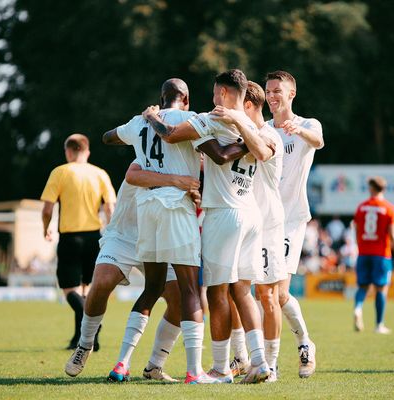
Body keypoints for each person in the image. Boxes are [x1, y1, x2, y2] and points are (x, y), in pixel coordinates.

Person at [143, 69, 271, 384]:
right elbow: (263, 153)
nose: (212, 99)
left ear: (225, 93)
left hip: (224, 213)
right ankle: (260, 363)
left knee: (216, 292)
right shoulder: (259, 127)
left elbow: (171, 134)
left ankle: (220, 367)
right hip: (251, 213)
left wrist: (151, 118)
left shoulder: (210, 119)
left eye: (216, 93)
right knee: (243, 290)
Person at [100, 78, 221, 384]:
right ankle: (194, 371)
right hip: (175, 209)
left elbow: (108, 137)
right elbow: (217, 152)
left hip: (147, 209)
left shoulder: (139, 121)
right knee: (190, 290)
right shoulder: (190, 120)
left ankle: (122, 364)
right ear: (187, 99)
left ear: (162, 98)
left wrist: (141, 121)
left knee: (151, 289)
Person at [64, 159, 199, 382]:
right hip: (124, 236)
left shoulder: (188, 163)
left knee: (179, 300)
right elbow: (133, 174)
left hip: (160, 238)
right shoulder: (146, 155)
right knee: (102, 282)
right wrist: (177, 181)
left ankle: (154, 366)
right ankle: (85, 344)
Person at [210, 80, 285, 382]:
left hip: (265, 223)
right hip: (249, 217)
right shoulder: (241, 131)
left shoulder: (268, 135)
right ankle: (250, 360)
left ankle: (269, 362)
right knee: (239, 292)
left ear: (247, 106)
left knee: (268, 296)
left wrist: (235, 120)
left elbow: (261, 152)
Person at [265, 70, 324, 378]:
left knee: (277, 291)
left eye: (278, 90)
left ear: (291, 94)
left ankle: (293, 351)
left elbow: (319, 140)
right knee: (268, 294)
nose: (272, 95)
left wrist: (297, 132)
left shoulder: (307, 124)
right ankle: (253, 358)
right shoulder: (261, 129)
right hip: (263, 221)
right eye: (268, 91)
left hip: (291, 221)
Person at [41, 134, 116, 349]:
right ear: (87, 151)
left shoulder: (60, 172)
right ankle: (83, 340)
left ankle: (89, 320)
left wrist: (45, 228)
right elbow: (110, 207)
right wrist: (110, 232)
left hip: (70, 238)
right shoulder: (99, 173)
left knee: (68, 288)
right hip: (94, 237)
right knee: (87, 290)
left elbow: (47, 208)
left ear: (68, 151)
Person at [352, 176, 394, 334]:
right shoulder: (389, 208)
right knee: (381, 289)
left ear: (371, 188)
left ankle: (358, 308)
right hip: (381, 254)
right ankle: (379, 325)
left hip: (364, 252)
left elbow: (356, 228)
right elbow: (393, 233)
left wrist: (359, 244)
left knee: (363, 286)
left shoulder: (361, 207)